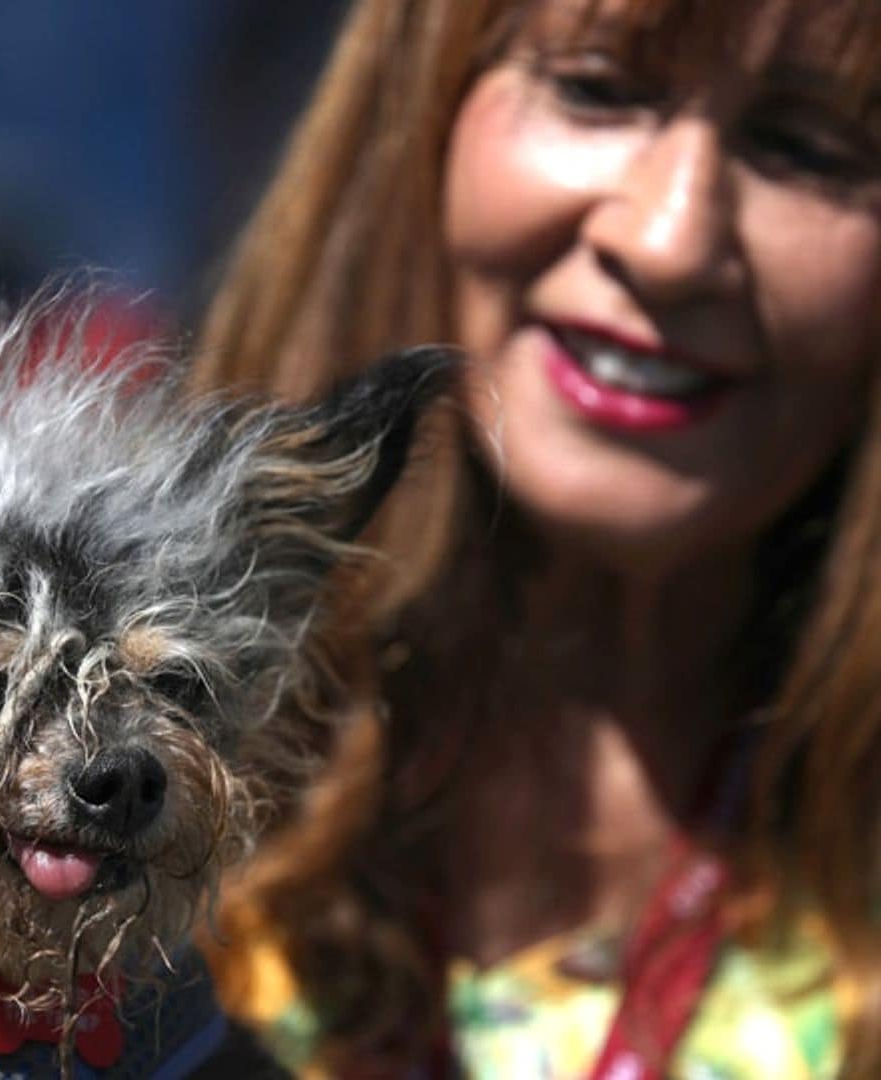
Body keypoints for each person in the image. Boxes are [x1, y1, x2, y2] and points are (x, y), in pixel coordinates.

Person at [191, 0, 881, 1076]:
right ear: (415, 115)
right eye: (596, 88)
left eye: (806, 146)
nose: (669, 241)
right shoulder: (53, 773)